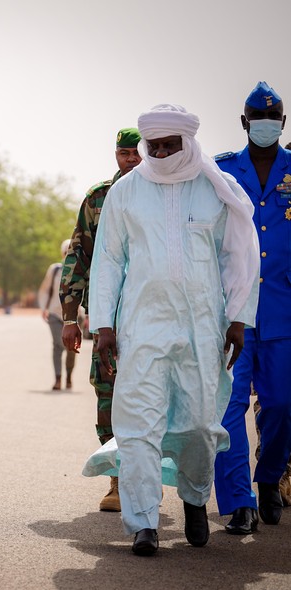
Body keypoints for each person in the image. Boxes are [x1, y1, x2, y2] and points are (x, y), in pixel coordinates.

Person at [83, 104, 259, 556]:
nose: (159, 154)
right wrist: (104, 324)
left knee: (199, 424)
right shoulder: (127, 192)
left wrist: (238, 317)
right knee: (139, 424)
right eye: (152, 146)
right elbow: (108, 259)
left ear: (188, 143)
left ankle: (196, 498)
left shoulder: (216, 188)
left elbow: (239, 254)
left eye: (168, 145)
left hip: (203, 326)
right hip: (141, 324)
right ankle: (143, 522)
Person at [213, 81, 291, 534]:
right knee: (230, 405)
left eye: (272, 119)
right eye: (256, 119)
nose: (264, 125)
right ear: (245, 123)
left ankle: (268, 477)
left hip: (283, 308)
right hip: (234, 311)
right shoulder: (222, 172)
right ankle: (238, 502)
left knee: (281, 404)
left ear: (282, 124)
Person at [60, 127, 141, 512]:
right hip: (107, 315)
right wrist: (69, 316)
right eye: (126, 153)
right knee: (107, 390)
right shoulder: (98, 199)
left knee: (150, 394)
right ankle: (117, 479)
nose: (133, 160)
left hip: (151, 313)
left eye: (137, 153)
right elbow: (79, 254)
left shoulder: (163, 192)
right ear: (116, 155)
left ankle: (147, 476)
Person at [38, 238, 76, 391]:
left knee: (72, 349)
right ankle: (58, 379)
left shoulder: (80, 271)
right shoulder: (54, 270)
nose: (68, 255)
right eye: (66, 252)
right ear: (62, 253)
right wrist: (43, 307)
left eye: (71, 252)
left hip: (74, 316)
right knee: (58, 345)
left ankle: (68, 377)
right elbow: (45, 289)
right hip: (54, 313)